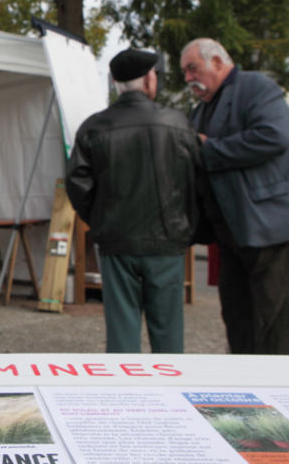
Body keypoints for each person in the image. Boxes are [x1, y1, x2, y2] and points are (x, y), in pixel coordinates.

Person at [180, 37, 289, 355]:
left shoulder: (256, 87)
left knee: (277, 327)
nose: (188, 78)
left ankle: (282, 395)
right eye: (185, 73)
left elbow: (274, 135)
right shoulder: (201, 109)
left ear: (217, 61)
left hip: (273, 229)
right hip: (234, 234)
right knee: (237, 317)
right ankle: (246, 391)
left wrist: (209, 148)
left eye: (192, 68)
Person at [67, 49, 203, 353]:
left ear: (115, 81)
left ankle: (126, 394)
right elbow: (197, 182)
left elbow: (77, 184)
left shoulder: (94, 126)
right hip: (167, 241)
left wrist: (101, 222)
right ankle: (169, 393)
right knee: (168, 332)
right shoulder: (177, 123)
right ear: (150, 79)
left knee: (122, 331)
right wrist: (186, 228)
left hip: (117, 241)